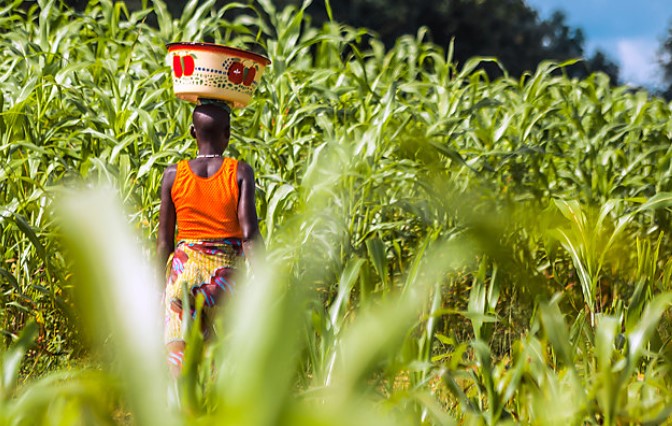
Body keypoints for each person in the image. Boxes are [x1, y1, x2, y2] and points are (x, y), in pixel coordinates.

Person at [156, 100, 263, 375]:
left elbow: (164, 243)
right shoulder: (239, 172)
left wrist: (157, 289)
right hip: (225, 281)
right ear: (227, 133)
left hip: (183, 278)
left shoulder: (173, 175)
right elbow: (250, 235)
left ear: (193, 132)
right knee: (227, 363)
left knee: (179, 365)